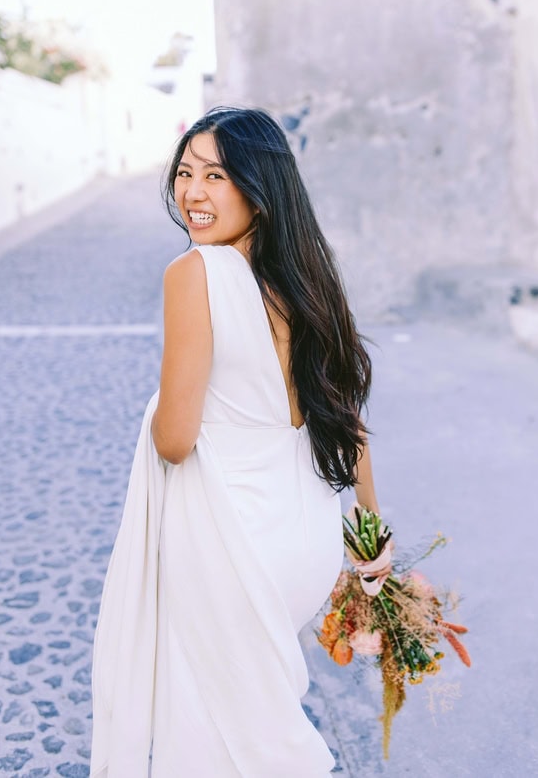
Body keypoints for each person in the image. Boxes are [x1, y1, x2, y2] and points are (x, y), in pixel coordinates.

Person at [90, 107, 389, 777]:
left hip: (234, 546)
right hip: (303, 542)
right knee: (250, 723)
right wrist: (373, 539)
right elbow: (349, 419)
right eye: (185, 173)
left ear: (257, 186)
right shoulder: (309, 280)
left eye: (216, 175)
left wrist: (163, 402)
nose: (192, 193)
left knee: (208, 738)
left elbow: (174, 440)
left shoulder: (195, 274)